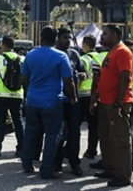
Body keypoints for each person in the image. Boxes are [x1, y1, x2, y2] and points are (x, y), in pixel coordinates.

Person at [21, 26, 76, 180]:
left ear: (41, 37)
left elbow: (24, 77)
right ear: (56, 38)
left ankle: (27, 164)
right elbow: (68, 80)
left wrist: (29, 91)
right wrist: (73, 96)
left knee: (31, 133)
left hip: (33, 100)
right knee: (52, 136)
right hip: (52, 101)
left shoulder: (30, 55)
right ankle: (46, 170)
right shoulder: (60, 56)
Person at [94, 24, 133, 188]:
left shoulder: (123, 52)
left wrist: (118, 103)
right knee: (106, 138)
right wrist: (96, 95)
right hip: (106, 102)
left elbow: (125, 78)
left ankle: (123, 175)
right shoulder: (111, 52)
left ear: (115, 36)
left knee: (120, 140)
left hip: (118, 103)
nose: (101, 37)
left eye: (105, 34)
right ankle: (110, 168)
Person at [0, 36, 24, 158]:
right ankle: (22, 148)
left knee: (0, 122)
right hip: (17, 95)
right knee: (18, 121)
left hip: (1, 95)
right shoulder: (22, 59)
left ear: (4, 46)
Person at [54, 27, 85, 177]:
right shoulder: (53, 54)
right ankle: (56, 164)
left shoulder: (74, 54)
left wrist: (81, 75)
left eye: (69, 38)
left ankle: (74, 163)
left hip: (73, 100)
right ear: (58, 38)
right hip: (57, 99)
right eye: (65, 37)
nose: (68, 40)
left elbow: (82, 71)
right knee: (57, 133)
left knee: (74, 133)